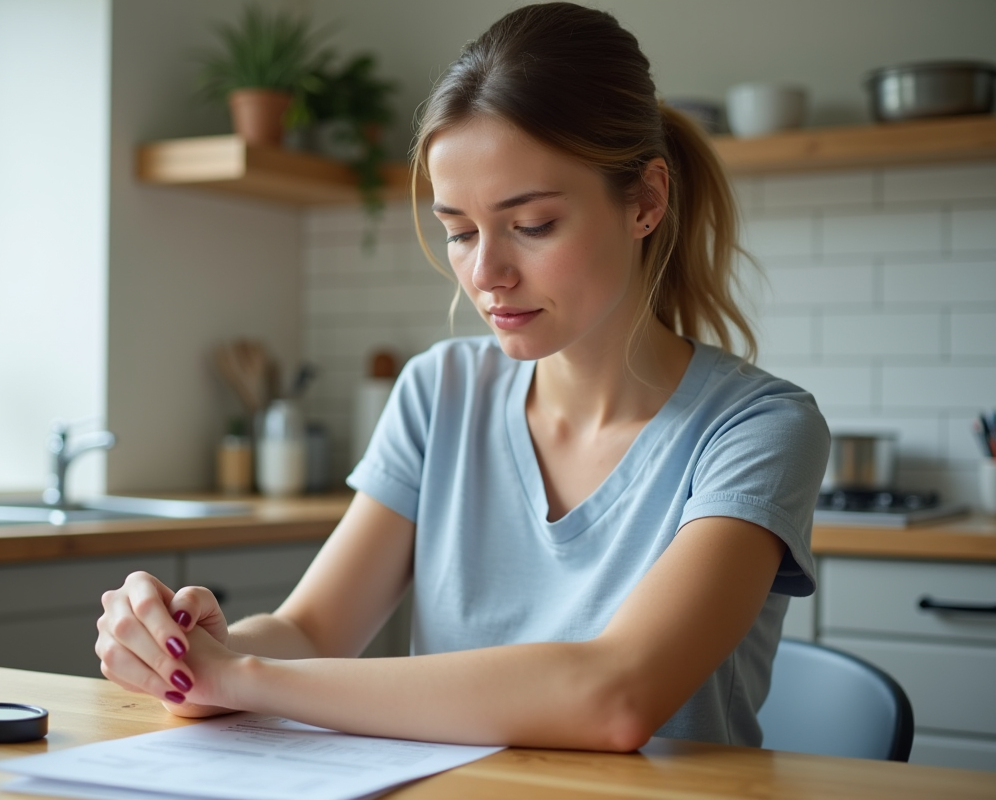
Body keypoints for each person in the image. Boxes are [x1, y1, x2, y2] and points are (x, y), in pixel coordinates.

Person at [96, 2, 829, 752]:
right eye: (459, 231)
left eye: (533, 224)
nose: (487, 274)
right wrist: (190, 651)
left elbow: (616, 696)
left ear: (645, 200)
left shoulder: (760, 428)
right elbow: (310, 628)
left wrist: (242, 677)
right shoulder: (438, 390)